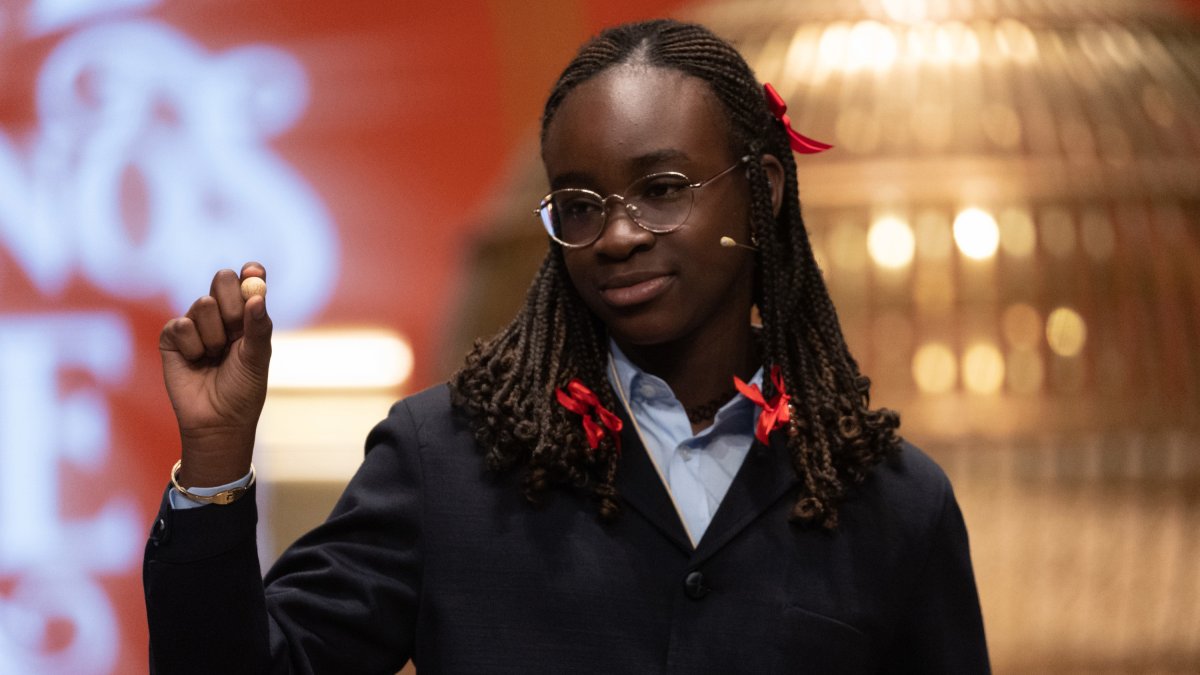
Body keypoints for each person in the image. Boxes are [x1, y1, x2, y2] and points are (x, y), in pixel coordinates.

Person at [144, 18, 990, 674]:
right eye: (581, 205)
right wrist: (214, 462)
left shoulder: (895, 506)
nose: (617, 234)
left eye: (661, 190)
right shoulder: (444, 464)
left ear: (762, 189)